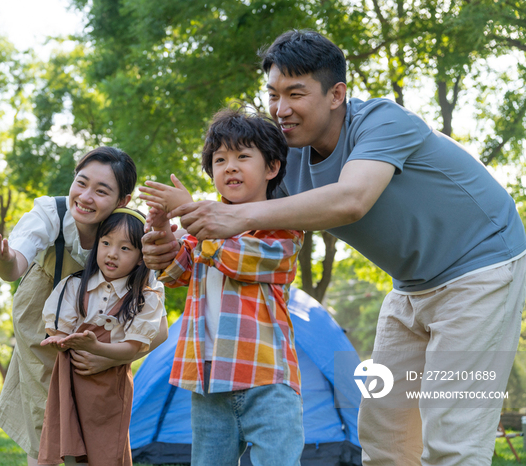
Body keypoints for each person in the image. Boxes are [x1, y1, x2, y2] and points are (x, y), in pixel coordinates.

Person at [143, 30, 526, 466]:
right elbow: (239, 206)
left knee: (453, 438)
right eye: (273, 95)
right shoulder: (286, 157)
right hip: (411, 285)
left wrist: (231, 219)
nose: (280, 109)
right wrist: (173, 242)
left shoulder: (383, 120)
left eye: (295, 93)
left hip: (482, 267)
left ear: (336, 94)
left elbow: (351, 200)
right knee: (384, 433)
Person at [0, 147, 168, 466]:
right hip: (43, 331)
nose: (85, 196)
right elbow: (15, 267)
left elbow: (159, 328)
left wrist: (109, 359)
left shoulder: (135, 239)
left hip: (100, 346)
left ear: (123, 201)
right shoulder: (51, 213)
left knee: (97, 432)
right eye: (81, 182)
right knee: (44, 426)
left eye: (101, 191)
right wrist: (3, 259)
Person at [140, 107, 305, 466]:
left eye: (243, 156)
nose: (230, 166)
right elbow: (172, 271)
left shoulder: (284, 228)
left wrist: (189, 213)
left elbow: (236, 258)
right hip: (208, 375)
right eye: (220, 159)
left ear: (272, 168)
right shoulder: (201, 229)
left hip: (267, 376)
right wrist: (161, 232)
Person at [37, 208, 164, 466]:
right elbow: (59, 329)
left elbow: (132, 348)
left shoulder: (145, 297)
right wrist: (59, 339)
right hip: (70, 379)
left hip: (111, 385)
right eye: (105, 243)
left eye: (126, 248)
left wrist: (99, 350)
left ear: (141, 258)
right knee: (69, 446)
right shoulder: (73, 285)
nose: (112, 253)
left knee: (108, 450)